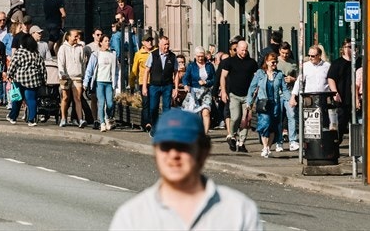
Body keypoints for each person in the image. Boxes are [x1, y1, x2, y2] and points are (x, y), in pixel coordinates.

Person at [109, 108, 261, 230]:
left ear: (203, 151)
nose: (174, 154)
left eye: (183, 146)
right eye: (166, 147)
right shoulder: (132, 217)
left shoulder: (239, 211)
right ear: (155, 152)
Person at [245, 51, 288, 158]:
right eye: (273, 62)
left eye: (276, 62)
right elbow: (252, 87)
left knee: (273, 126)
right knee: (265, 124)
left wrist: (290, 100)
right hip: (263, 103)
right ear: (267, 62)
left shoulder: (279, 74)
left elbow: (285, 89)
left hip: (275, 103)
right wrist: (249, 101)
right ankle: (264, 146)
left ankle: (268, 147)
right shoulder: (260, 73)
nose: (274, 64)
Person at [219, 39, 259, 154]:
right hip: (234, 94)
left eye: (246, 50)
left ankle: (241, 142)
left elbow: (256, 77)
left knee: (246, 120)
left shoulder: (252, 63)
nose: (244, 52)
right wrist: (223, 91)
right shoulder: (229, 62)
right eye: (242, 50)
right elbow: (223, 76)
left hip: (247, 95)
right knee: (236, 117)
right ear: (237, 49)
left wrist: (256, 90)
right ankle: (231, 135)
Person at [5, 31, 44, 126]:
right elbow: (42, 67)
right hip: (34, 80)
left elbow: (13, 65)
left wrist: (9, 75)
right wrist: (43, 79)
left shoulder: (19, 52)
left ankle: (13, 117)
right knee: (31, 99)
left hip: (20, 79)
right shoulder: (36, 53)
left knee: (17, 98)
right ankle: (31, 119)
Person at [86, 32, 120, 132]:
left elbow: (116, 70)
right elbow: (90, 69)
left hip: (109, 82)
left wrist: (116, 82)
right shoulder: (96, 55)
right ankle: (102, 123)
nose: (107, 43)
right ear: (100, 43)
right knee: (101, 103)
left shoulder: (112, 55)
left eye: (108, 41)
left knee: (110, 104)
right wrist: (86, 82)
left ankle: (107, 118)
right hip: (99, 82)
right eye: (105, 41)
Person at [143, 35, 178, 132]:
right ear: (159, 45)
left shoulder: (172, 56)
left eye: (168, 44)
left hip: (167, 85)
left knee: (166, 107)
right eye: (164, 44)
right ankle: (154, 126)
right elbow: (146, 71)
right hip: (155, 85)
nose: (166, 47)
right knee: (153, 107)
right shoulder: (153, 55)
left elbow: (176, 72)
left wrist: (176, 88)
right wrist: (144, 87)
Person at [58, 29, 89, 127]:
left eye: (78, 36)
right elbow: (61, 63)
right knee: (65, 98)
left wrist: (83, 75)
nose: (77, 38)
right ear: (68, 37)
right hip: (66, 76)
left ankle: (80, 120)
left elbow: (83, 62)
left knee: (78, 98)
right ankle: (63, 118)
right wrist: (62, 74)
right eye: (75, 36)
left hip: (77, 76)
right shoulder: (63, 48)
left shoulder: (80, 48)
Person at [181, 48, 217, 132]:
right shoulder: (191, 66)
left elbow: (214, 79)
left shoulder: (209, 65)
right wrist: (186, 85)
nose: (200, 58)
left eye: (202, 56)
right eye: (198, 56)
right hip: (194, 91)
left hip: (206, 91)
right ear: (195, 56)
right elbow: (186, 78)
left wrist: (206, 82)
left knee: (206, 112)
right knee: (192, 113)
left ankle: (205, 134)